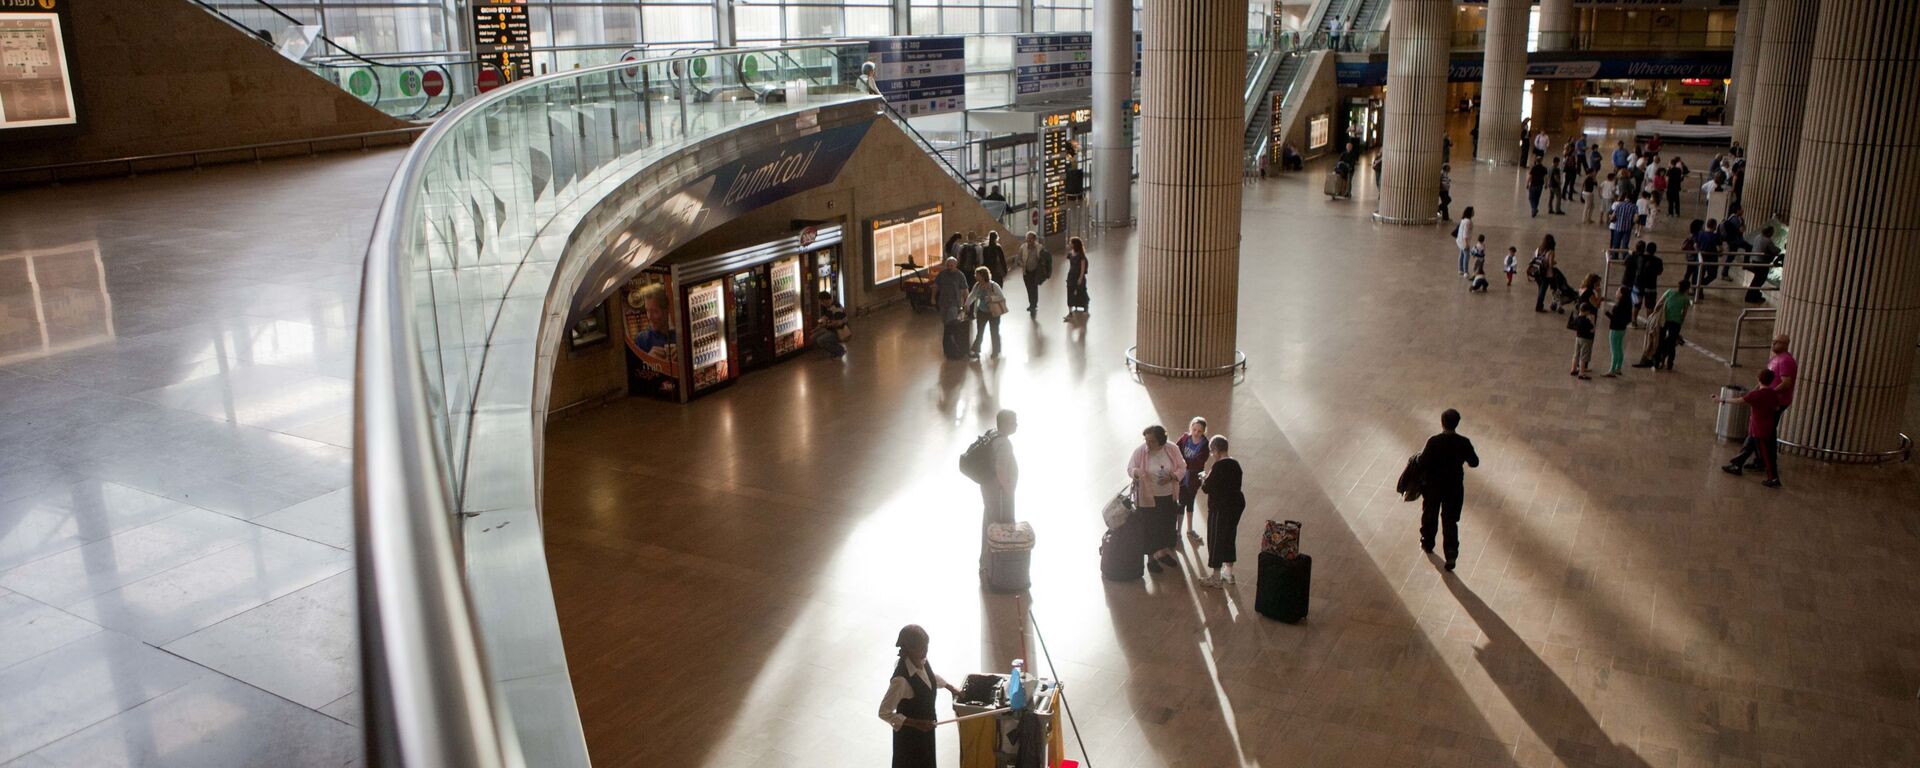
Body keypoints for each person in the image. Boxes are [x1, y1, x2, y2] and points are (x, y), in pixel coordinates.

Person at [879, 624, 963, 768]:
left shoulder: (921, 660)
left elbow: (929, 678)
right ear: (910, 649)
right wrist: (916, 723)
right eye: (922, 648)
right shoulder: (901, 680)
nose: (925, 651)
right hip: (910, 738)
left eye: (926, 646)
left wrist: (950, 688)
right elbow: (884, 712)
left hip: (926, 730)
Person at [1418, 409, 1480, 571]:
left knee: (1430, 514)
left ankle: (1427, 542)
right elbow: (1474, 462)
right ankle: (1451, 552)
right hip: (1454, 487)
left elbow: (1423, 462)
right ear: (1457, 423)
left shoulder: (1434, 441)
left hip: (1433, 486)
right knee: (1450, 519)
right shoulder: (1463, 442)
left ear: (1442, 422)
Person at [1128, 425, 1187, 574]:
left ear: (1161, 441)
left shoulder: (1172, 449)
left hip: (1168, 495)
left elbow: (1182, 466)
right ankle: (1151, 559)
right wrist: (1137, 472)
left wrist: (1172, 476)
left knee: (1166, 526)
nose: (1148, 443)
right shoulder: (1140, 451)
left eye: (1152, 441)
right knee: (1149, 529)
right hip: (1147, 498)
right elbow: (1130, 468)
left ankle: (1162, 552)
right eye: (1146, 440)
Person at [1718, 370, 1784, 488]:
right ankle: (1737, 465)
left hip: (1759, 430)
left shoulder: (1756, 395)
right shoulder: (1773, 394)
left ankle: (1773, 478)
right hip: (1764, 428)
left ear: (1759, 380)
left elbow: (1739, 401)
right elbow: (1777, 407)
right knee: (1747, 447)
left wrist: (1722, 399)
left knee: (1766, 455)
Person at [974, 409, 1019, 574]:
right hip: (998, 492)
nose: (1016, 425)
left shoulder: (993, 434)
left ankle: (987, 560)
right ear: (1006, 424)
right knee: (998, 525)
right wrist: (1008, 490)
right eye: (1014, 422)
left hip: (989, 489)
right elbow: (1000, 468)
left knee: (989, 521)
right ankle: (995, 564)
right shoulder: (1004, 444)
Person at [1198, 435, 1244, 588]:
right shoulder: (1235, 464)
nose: (1212, 455)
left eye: (1212, 452)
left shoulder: (1218, 466)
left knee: (1216, 539)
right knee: (1229, 535)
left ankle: (1216, 577)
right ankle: (1228, 572)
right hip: (1235, 505)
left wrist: (1203, 478)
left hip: (1220, 508)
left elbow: (1206, 488)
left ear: (1216, 450)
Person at [1642, 278, 1692, 371]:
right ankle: (1670, 365)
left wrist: (1654, 313)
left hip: (1664, 320)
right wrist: (1680, 322)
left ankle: (1656, 363)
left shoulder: (1669, 292)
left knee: (1660, 341)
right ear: (1687, 289)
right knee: (1672, 344)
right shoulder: (1685, 299)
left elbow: (1659, 303)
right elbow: (1684, 313)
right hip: (1676, 322)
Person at [1175, 418, 1211, 545]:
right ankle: (1178, 531)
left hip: (1193, 480)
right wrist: (1181, 464)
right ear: (1191, 428)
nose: (1196, 433)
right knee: (1181, 503)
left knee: (1190, 502)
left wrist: (1184, 462)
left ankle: (1189, 529)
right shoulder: (1185, 438)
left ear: (1203, 432)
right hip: (1181, 478)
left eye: (1199, 431)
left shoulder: (1205, 445)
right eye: (1194, 430)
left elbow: (1200, 462)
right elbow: (1176, 450)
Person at [964, 266, 1007, 359]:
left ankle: (996, 351)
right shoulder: (977, 285)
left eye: (978, 275)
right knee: (980, 331)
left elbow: (1002, 297)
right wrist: (967, 304)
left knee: (994, 331)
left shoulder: (993, 285)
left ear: (983, 276)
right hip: (981, 311)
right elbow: (972, 296)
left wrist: (992, 298)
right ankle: (976, 350)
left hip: (993, 312)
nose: (976, 276)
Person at [935, 257, 971, 360]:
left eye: (952, 265)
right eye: (948, 265)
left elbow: (965, 290)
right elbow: (936, 286)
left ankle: (952, 346)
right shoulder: (942, 274)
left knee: (950, 324)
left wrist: (966, 303)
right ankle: (948, 346)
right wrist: (933, 298)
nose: (949, 267)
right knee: (945, 324)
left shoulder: (960, 275)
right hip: (943, 303)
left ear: (955, 265)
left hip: (954, 304)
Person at [1016, 231, 1050, 315]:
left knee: (1034, 288)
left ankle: (1033, 304)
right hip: (1026, 272)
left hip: (1035, 272)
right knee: (1029, 288)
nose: (1029, 240)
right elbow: (1018, 259)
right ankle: (1031, 303)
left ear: (1034, 239)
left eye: (1031, 238)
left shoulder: (1039, 247)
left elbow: (1045, 258)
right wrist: (1021, 264)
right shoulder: (1022, 247)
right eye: (1027, 238)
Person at [1603, 285, 1634, 377]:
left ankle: (1612, 370)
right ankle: (1618, 368)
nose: (1616, 292)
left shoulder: (1619, 305)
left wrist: (1607, 313)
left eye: (1618, 290)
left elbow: (1615, 319)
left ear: (1621, 294)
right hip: (1622, 329)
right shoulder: (1628, 304)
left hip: (1615, 330)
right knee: (1619, 349)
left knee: (1614, 350)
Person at [814, 291, 848, 359]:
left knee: (820, 340)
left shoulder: (835, 307)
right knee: (816, 335)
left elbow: (838, 323)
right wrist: (816, 327)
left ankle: (840, 351)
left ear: (824, 300)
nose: (821, 304)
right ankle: (835, 351)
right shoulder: (831, 307)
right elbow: (825, 317)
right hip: (835, 330)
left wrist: (826, 325)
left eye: (821, 302)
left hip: (840, 331)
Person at [1063, 236, 1090, 318]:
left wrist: (1080, 278)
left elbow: (1082, 268)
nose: (1069, 244)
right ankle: (1070, 311)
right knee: (1070, 292)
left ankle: (1085, 307)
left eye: (1071, 243)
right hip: (1071, 276)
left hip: (1078, 276)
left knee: (1081, 291)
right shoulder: (1070, 254)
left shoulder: (1081, 255)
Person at [1569, 300, 1596, 379]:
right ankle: (1581, 373)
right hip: (1586, 339)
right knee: (1583, 356)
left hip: (1578, 338)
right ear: (1587, 311)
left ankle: (1573, 369)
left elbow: (1572, 324)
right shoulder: (1587, 321)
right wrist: (1592, 321)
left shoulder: (1577, 318)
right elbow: (1592, 330)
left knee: (1576, 354)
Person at [1529, 235, 1557, 312]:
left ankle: (1539, 304)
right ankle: (1539, 306)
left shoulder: (1539, 249)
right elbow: (1550, 264)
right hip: (1545, 274)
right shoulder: (1551, 252)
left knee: (1540, 289)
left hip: (1536, 272)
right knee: (1543, 291)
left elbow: (1534, 258)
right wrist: (1552, 273)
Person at [1454, 206, 1475, 277]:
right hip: (1464, 242)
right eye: (1473, 211)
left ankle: (1460, 269)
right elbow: (1465, 233)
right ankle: (1465, 271)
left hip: (1460, 241)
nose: (1474, 212)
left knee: (1461, 255)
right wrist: (1466, 244)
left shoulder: (1463, 220)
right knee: (1466, 256)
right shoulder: (1468, 222)